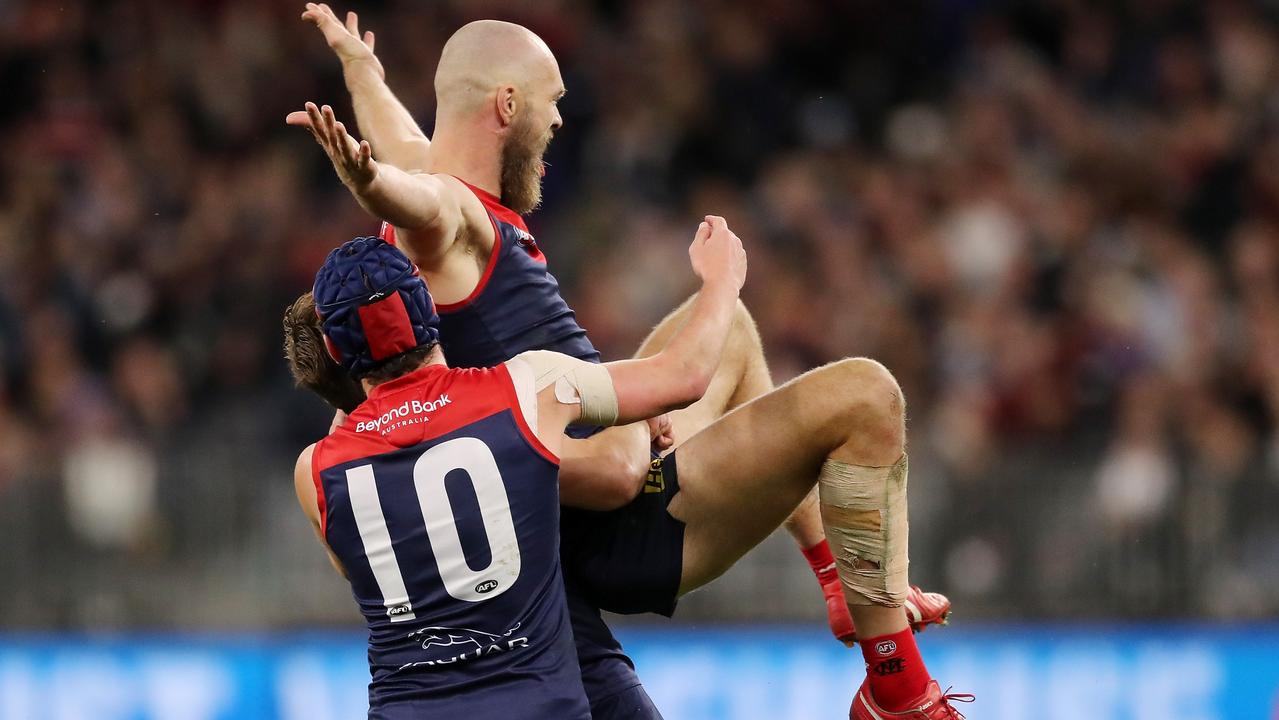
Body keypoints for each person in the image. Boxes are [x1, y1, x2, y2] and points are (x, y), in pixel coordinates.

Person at [287, 7, 960, 718]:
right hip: (623, 524)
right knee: (863, 394)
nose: (556, 122)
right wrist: (368, 182)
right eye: (553, 101)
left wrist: (361, 72)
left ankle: (836, 577)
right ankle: (899, 692)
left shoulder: (441, 189)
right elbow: (417, 198)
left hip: (580, 491)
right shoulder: (449, 216)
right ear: (507, 105)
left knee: (728, 329)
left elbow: (400, 149)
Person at [293, 223, 745, 719]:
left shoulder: (316, 469)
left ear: (336, 351)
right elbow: (686, 374)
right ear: (427, 306)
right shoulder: (523, 389)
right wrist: (722, 280)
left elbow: (355, 566)